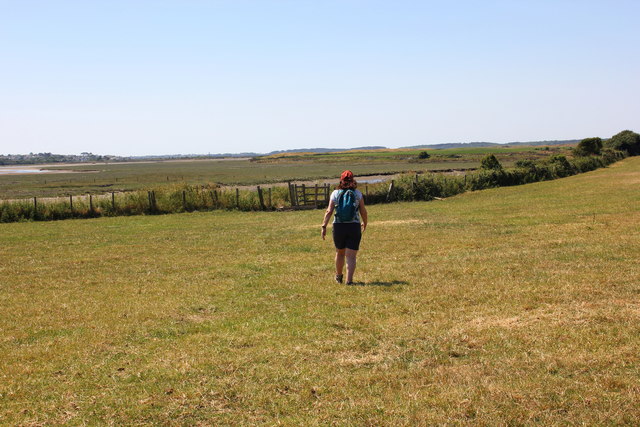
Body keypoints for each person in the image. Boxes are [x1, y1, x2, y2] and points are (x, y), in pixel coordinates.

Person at [321, 170, 368, 285]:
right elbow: (363, 211)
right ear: (353, 180)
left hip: (339, 226)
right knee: (351, 256)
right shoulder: (358, 194)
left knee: (340, 253)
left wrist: (324, 226)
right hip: (354, 226)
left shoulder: (335, 193)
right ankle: (349, 281)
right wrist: (365, 223)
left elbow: (329, 211)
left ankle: (338, 277)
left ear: (341, 180)